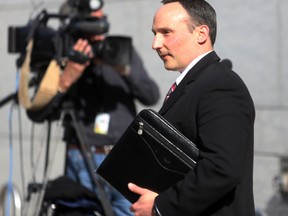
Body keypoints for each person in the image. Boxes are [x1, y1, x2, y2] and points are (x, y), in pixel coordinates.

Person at [27, 1, 160, 216]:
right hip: (81, 156)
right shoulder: (63, 54)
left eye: (101, 21)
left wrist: (123, 68)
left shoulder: (118, 49)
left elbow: (151, 94)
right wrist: (67, 77)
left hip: (122, 155)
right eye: (92, 22)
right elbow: (38, 112)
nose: (98, 30)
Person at [128, 0, 255, 216]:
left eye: (166, 32)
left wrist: (161, 206)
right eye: (155, 33)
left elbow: (221, 168)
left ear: (201, 33)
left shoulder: (220, 85)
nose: (155, 44)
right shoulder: (198, 83)